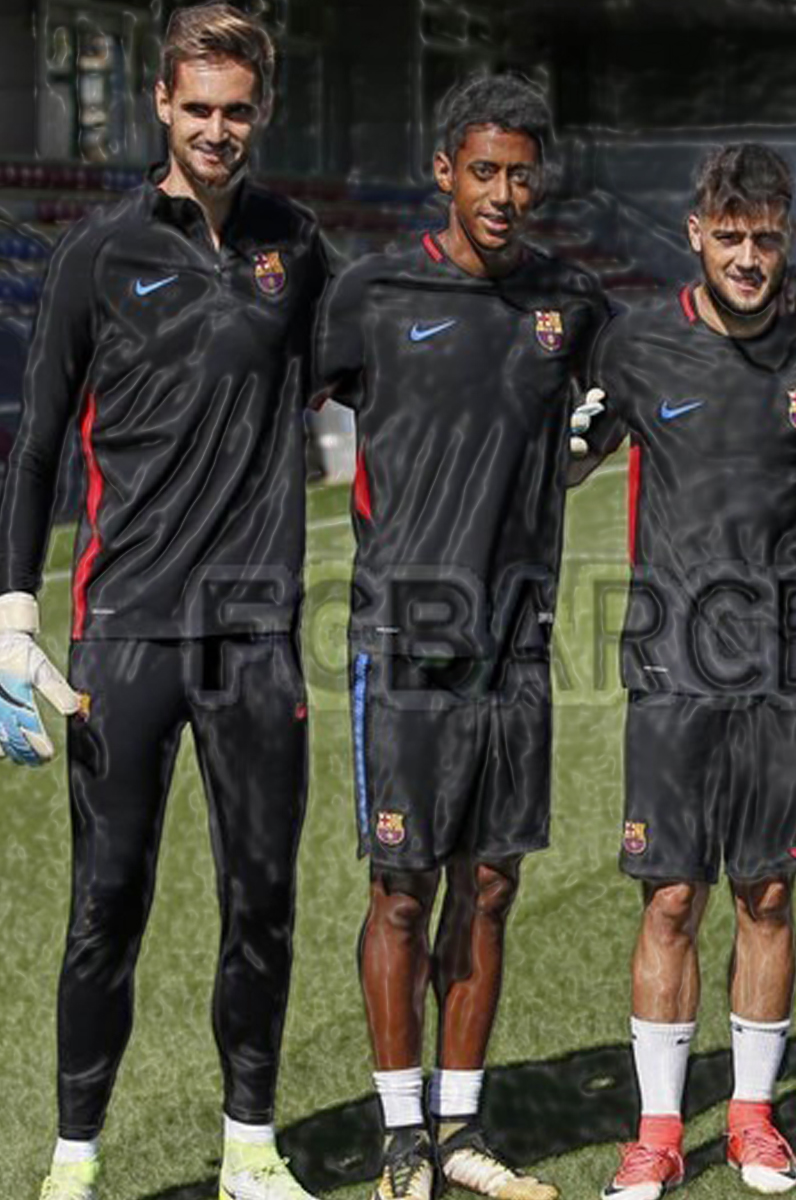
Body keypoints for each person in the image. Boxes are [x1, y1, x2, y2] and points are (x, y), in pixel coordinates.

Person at [0, 6, 327, 1197]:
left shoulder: (301, 247)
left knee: (263, 902)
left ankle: (251, 1147)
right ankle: (73, 1163)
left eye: (238, 109)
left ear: (262, 110)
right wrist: (12, 612)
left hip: (255, 639)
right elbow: (35, 446)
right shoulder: (98, 253)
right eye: (198, 108)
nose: (218, 129)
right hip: (123, 632)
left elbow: (378, 376)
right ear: (160, 105)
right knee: (106, 904)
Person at [313, 73, 608, 1200]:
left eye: (521, 172)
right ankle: (400, 1140)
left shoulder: (569, 301)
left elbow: (647, 380)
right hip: (405, 642)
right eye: (482, 170)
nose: (503, 191)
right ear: (444, 171)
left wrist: (582, 445)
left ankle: (462, 1129)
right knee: (402, 886)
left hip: (518, 645)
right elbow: (268, 405)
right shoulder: (375, 291)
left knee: (489, 886)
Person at [571, 143, 796, 1200]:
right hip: (672, 661)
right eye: (729, 236)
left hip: (782, 662)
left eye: (765, 237)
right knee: (672, 898)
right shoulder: (638, 347)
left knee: (767, 891)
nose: (747, 255)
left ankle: (751, 1119)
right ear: (695, 234)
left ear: (786, 236)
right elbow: (565, 457)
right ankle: (655, 1130)